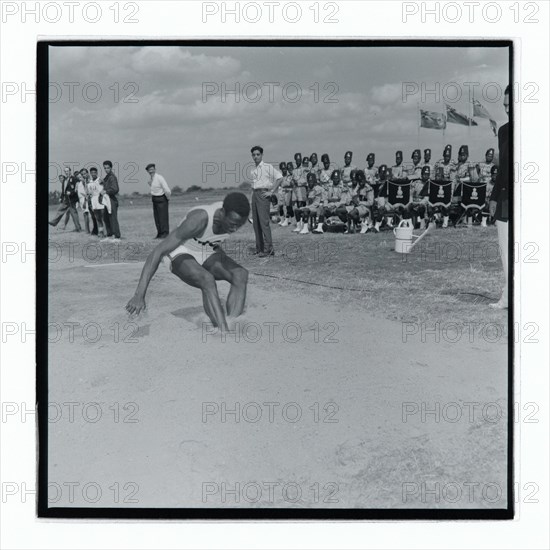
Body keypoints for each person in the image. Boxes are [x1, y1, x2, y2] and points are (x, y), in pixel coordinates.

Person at [126, 192, 250, 333]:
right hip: (179, 250)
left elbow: (211, 241)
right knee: (207, 279)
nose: (235, 229)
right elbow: (157, 251)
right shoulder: (199, 219)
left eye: (239, 225)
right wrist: (139, 295)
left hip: (205, 250)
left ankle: (232, 322)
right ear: (222, 212)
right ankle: (223, 332)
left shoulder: (233, 217)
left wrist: (224, 264)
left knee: (240, 274)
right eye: (233, 224)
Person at [489, 85, 510, 309]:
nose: (506, 109)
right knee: (506, 248)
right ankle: (508, 295)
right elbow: (502, 169)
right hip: (505, 198)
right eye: (504, 105)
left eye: (509, 104)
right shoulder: (503, 131)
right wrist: (493, 197)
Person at [250, 146, 283, 256]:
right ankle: (259, 248)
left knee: (264, 222)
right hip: (255, 194)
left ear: (262, 155)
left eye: (258, 154)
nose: (255, 157)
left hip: (264, 194)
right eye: (254, 155)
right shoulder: (253, 170)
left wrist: (272, 191)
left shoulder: (267, 167)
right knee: (256, 223)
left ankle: (269, 249)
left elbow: (279, 177)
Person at [146, 163, 171, 239]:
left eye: (152, 169)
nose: (151, 171)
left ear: (155, 169)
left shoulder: (160, 178)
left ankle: (165, 233)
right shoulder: (151, 179)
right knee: (157, 218)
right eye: (149, 170)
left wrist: (167, 198)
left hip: (161, 198)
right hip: (154, 199)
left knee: (163, 217)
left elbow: (167, 189)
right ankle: (159, 233)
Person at [102, 160, 121, 241]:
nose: (106, 169)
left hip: (111, 200)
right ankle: (109, 234)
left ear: (111, 168)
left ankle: (116, 236)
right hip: (106, 200)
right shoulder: (106, 177)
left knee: (113, 218)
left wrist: (106, 191)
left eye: (108, 168)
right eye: (105, 168)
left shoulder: (112, 177)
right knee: (106, 218)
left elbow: (116, 189)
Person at [88, 166, 107, 238]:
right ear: (90, 173)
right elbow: (89, 192)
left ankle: (107, 232)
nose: (93, 174)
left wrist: (103, 184)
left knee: (103, 217)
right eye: (92, 173)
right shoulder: (90, 182)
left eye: (94, 172)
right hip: (94, 201)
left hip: (101, 200)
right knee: (97, 218)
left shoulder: (100, 179)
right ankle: (101, 232)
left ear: (97, 173)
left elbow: (105, 186)